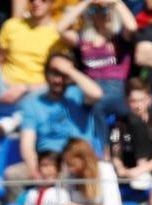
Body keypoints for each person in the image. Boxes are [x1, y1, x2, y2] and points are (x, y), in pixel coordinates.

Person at [2, 52, 102, 205]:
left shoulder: (78, 95)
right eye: (53, 73)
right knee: (12, 175)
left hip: (76, 158)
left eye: (62, 75)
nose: (57, 80)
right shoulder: (32, 102)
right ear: (45, 74)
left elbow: (97, 94)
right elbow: (27, 145)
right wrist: (35, 170)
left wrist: (69, 70)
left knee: (68, 173)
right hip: (47, 160)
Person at [0, 0, 63, 138]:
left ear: (51, 3)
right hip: (6, 90)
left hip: (35, 92)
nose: (37, 3)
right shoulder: (12, 25)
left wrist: (25, 87)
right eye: (32, 0)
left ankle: (14, 121)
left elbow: (57, 75)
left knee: (52, 87)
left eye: (43, 0)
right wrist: (3, 84)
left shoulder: (57, 34)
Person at [58, 0, 137, 140]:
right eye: (96, 10)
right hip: (90, 87)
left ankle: (102, 153)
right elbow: (60, 29)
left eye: (106, 10)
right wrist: (86, 3)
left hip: (115, 88)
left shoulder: (119, 38)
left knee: (98, 106)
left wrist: (115, 2)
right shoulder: (83, 41)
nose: (102, 14)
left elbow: (132, 27)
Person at [110, 78, 152, 192]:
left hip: (150, 172)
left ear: (149, 100)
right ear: (126, 101)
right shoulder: (120, 123)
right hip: (127, 171)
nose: (137, 105)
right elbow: (115, 152)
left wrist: (140, 170)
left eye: (141, 100)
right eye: (133, 101)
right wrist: (121, 169)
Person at [60, 136, 124, 205]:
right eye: (67, 164)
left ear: (84, 159)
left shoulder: (105, 170)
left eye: (72, 164)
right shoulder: (68, 177)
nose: (70, 169)